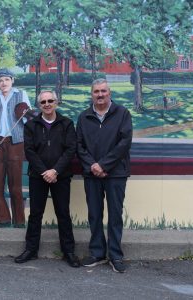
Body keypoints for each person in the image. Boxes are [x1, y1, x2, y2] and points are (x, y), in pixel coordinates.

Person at [14, 90, 80, 267]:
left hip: (61, 176)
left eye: (50, 100)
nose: (47, 104)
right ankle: (31, 249)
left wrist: (55, 171)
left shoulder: (66, 123)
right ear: (39, 105)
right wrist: (45, 171)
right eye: (43, 102)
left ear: (56, 102)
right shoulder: (31, 125)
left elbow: (70, 149)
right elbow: (29, 151)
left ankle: (69, 251)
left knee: (63, 214)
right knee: (35, 214)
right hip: (38, 176)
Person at [76, 79, 133, 273]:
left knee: (115, 214)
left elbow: (124, 143)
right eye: (96, 92)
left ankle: (115, 255)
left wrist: (103, 164)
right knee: (94, 214)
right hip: (92, 173)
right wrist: (93, 165)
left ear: (110, 93)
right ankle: (97, 253)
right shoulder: (84, 117)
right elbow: (79, 146)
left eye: (103, 91)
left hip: (116, 173)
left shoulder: (122, 113)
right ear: (91, 94)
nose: (100, 95)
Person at [0, 68, 31, 228]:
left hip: (16, 142)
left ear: (12, 80)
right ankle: (4, 219)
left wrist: (25, 115)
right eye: (1, 80)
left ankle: (19, 221)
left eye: (7, 80)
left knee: (15, 185)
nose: (4, 83)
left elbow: (28, 118)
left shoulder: (21, 95)